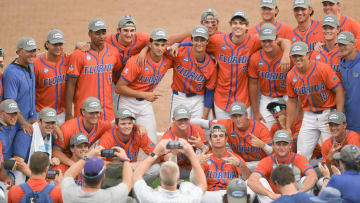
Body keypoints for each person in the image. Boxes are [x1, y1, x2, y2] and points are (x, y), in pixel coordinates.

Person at [203, 10, 291, 119]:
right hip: (221, 100)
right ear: (231, 25)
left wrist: (286, 54)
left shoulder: (254, 41)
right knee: (223, 132)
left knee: (245, 133)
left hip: (243, 99)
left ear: (247, 26)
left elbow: (282, 41)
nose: (238, 26)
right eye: (235, 23)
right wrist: (179, 44)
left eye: (241, 23)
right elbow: (198, 43)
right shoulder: (218, 41)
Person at [286, 41, 345, 160]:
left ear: (307, 54)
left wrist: (338, 115)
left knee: (332, 154)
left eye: (300, 55)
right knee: (301, 155)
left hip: (327, 114)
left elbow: (338, 90)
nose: (298, 58)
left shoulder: (322, 68)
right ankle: (302, 178)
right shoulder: (291, 76)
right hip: (308, 117)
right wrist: (288, 125)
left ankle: (332, 177)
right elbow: (292, 101)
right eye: (295, 56)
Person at [115, 28, 173, 143]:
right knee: (125, 140)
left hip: (145, 104)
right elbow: (119, 88)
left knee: (151, 141)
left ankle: (150, 162)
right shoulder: (137, 61)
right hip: (127, 102)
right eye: (156, 44)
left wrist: (176, 45)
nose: (160, 48)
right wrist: (145, 95)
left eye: (162, 45)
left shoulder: (168, 59)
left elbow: (187, 46)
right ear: (150, 44)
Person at [66, 18, 121, 122]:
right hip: (85, 112)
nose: (101, 36)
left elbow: (117, 71)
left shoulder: (114, 52)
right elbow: (71, 84)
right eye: (97, 33)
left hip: (107, 112)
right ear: (89, 34)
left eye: (103, 33)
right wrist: (69, 113)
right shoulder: (79, 54)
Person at [192, 102, 272, 170]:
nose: (237, 119)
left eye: (240, 115)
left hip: (259, 163)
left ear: (246, 115)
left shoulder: (261, 129)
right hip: (239, 162)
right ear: (231, 117)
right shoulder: (228, 124)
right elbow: (203, 123)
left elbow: (274, 154)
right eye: (234, 116)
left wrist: (263, 145)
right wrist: (183, 122)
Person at [247, 130, 317, 202]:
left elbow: (313, 176)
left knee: (306, 178)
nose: (281, 147)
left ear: (290, 145)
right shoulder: (267, 161)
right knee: (258, 181)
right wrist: (270, 194)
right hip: (274, 198)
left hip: (296, 197)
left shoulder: (299, 158)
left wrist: (299, 193)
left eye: (284, 144)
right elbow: (251, 181)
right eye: (278, 144)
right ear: (273, 145)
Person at [133, 139, 207, 202]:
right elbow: (202, 184)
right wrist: (191, 154)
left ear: (160, 178)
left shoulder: (149, 197)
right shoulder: (187, 199)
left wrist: (155, 153)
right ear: (178, 179)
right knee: (187, 186)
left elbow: (137, 175)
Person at [99, 107, 159, 184]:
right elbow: (98, 162)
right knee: (100, 171)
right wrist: (126, 166)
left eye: (129, 123)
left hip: (133, 172)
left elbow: (157, 155)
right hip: (114, 174)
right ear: (116, 125)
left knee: (156, 168)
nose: (127, 127)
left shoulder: (138, 133)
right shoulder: (107, 137)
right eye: (123, 124)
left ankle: (134, 190)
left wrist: (141, 163)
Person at [248, 23, 292, 130]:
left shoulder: (287, 56)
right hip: (268, 98)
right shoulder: (255, 58)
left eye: (270, 40)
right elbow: (253, 85)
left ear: (276, 39)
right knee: (264, 129)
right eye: (264, 41)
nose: (267, 44)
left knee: (290, 127)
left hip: (287, 97)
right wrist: (256, 112)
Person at [169, 25, 217, 121]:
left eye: (202, 40)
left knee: (198, 131)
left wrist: (204, 116)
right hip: (179, 98)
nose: (199, 43)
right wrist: (177, 44)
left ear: (207, 42)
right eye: (196, 40)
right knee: (176, 130)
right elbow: (160, 45)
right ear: (191, 41)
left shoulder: (211, 66)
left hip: (198, 100)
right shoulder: (180, 52)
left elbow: (209, 93)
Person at [198, 124, 250, 203]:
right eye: (215, 136)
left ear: (226, 139)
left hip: (230, 196)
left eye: (221, 136)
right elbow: (196, 183)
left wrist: (241, 165)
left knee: (260, 181)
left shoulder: (235, 157)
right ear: (210, 140)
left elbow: (249, 179)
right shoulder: (204, 158)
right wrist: (197, 165)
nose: (218, 138)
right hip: (210, 196)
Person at [53, 97, 112, 166]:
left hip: (87, 161)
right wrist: (74, 165)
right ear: (83, 112)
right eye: (91, 112)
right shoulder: (68, 128)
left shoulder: (104, 126)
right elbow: (55, 151)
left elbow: (115, 131)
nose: (95, 116)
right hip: (68, 161)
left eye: (97, 112)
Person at [61, 145, 132, 202]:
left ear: (83, 175)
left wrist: (88, 156)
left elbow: (69, 173)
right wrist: (125, 159)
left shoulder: (69, 192)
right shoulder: (111, 197)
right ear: (103, 176)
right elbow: (128, 182)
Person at [3, 36, 38, 138]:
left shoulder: (30, 64)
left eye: (34, 50)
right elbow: (10, 103)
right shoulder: (11, 73)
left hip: (30, 122)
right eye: (29, 51)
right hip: (18, 127)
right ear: (19, 52)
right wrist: (23, 123)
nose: (32, 54)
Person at [12, 107, 58, 184]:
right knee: (19, 174)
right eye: (47, 122)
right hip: (21, 174)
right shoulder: (25, 134)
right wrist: (40, 179)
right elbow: (19, 164)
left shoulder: (51, 136)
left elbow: (44, 165)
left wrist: (53, 160)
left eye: (52, 122)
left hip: (38, 175)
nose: (50, 126)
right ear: (39, 121)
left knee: (58, 174)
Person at [161, 104, 208, 179]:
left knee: (205, 159)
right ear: (173, 120)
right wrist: (174, 153)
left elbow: (209, 151)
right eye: (179, 119)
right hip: (177, 170)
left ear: (189, 119)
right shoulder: (167, 138)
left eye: (185, 119)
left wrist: (202, 146)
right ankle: (174, 185)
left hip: (194, 167)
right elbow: (169, 162)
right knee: (168, 168)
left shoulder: (197, 130)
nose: (183, 122)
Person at [34, 29, 68, 126]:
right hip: (41, 114)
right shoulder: (36, 64)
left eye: (60, 44)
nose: (58, 47)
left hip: (61, 114)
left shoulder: (67, 60)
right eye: (54, 44)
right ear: (47, 44)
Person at [338, 31, 360, 133]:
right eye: (339, 44)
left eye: (344, 44)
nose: (341, 47)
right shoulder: (340, 66)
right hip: (348, 121)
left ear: (354, 44)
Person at [310, 14, 342, 79]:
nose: (327, 31)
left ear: (338, 29)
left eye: (331, 28)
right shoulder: (316, 52)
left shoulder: (345, 51)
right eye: (325, 28)